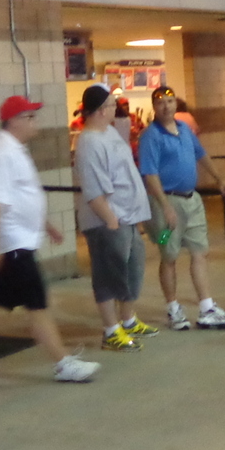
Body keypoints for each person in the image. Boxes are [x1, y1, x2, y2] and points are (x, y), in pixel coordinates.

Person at [0, 96, 100, 383]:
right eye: (30, 117)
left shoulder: (13, 150)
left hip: (11, 242)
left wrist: (46, 225)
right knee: (36, 304)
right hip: (10, 245)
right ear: (14, 120)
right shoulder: (2, 153)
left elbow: (22, 196)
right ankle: (63, 363)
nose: (34, 122)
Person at [138, 84, 225, 331]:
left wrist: (219, 179)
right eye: (160, 102)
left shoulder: (184, 129)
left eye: (170, 102)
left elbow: (201, 154)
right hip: (165, 205)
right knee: (168, 254)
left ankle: (207, 307)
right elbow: (150, 174)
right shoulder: (150, 136)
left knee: (199, 251)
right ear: (154, 107)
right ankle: (173, 308)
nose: (166, 106)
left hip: (191, 201)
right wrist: (165, 207)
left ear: (175, 104)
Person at [74, 83, 155, 351]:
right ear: (99, 110)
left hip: (127, 217)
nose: (115, 109)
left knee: (132, 271)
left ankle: (128, 320)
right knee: (108, 275)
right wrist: (110, 220)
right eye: (111, 105)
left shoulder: (108, 132)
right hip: (107, 221)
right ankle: (111, 330)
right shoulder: (88, 142)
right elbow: (94, 189)